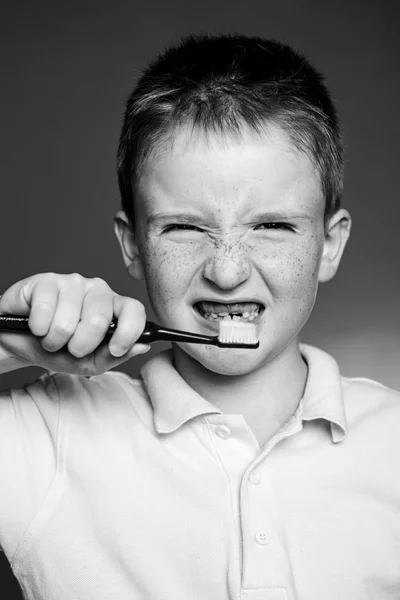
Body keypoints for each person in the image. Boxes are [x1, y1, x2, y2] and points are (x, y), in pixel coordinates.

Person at [0, 33, 399, 600]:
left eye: (273, 226)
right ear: (132, 244)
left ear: (330, 245)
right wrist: (7, 342)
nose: (228, 272)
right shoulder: (45, 435)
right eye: (185, 227)